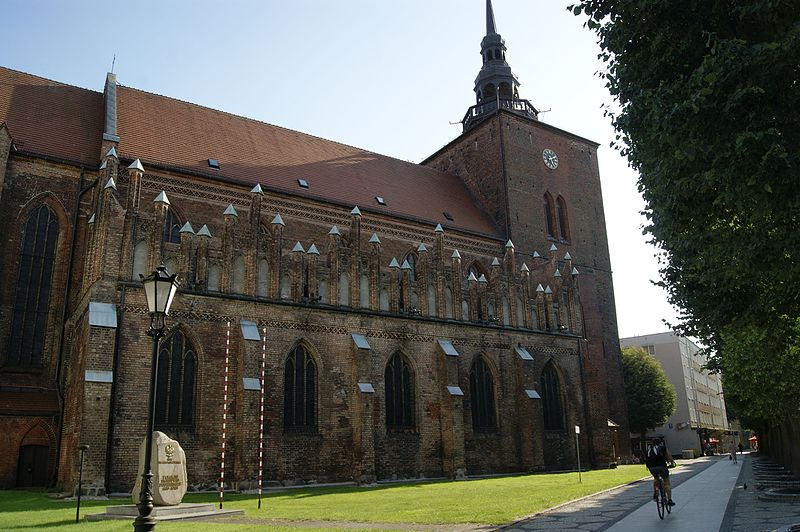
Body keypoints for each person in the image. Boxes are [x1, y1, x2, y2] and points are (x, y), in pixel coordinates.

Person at [646, 436, 677, 506]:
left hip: (652, 468)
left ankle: (655, 492)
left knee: (656, 478)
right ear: (660, 443)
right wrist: (672, 463)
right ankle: (669, 500)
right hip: (662, 467)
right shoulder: (663, 448)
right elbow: (669, 456)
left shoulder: (649, 449)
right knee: (666, 482)